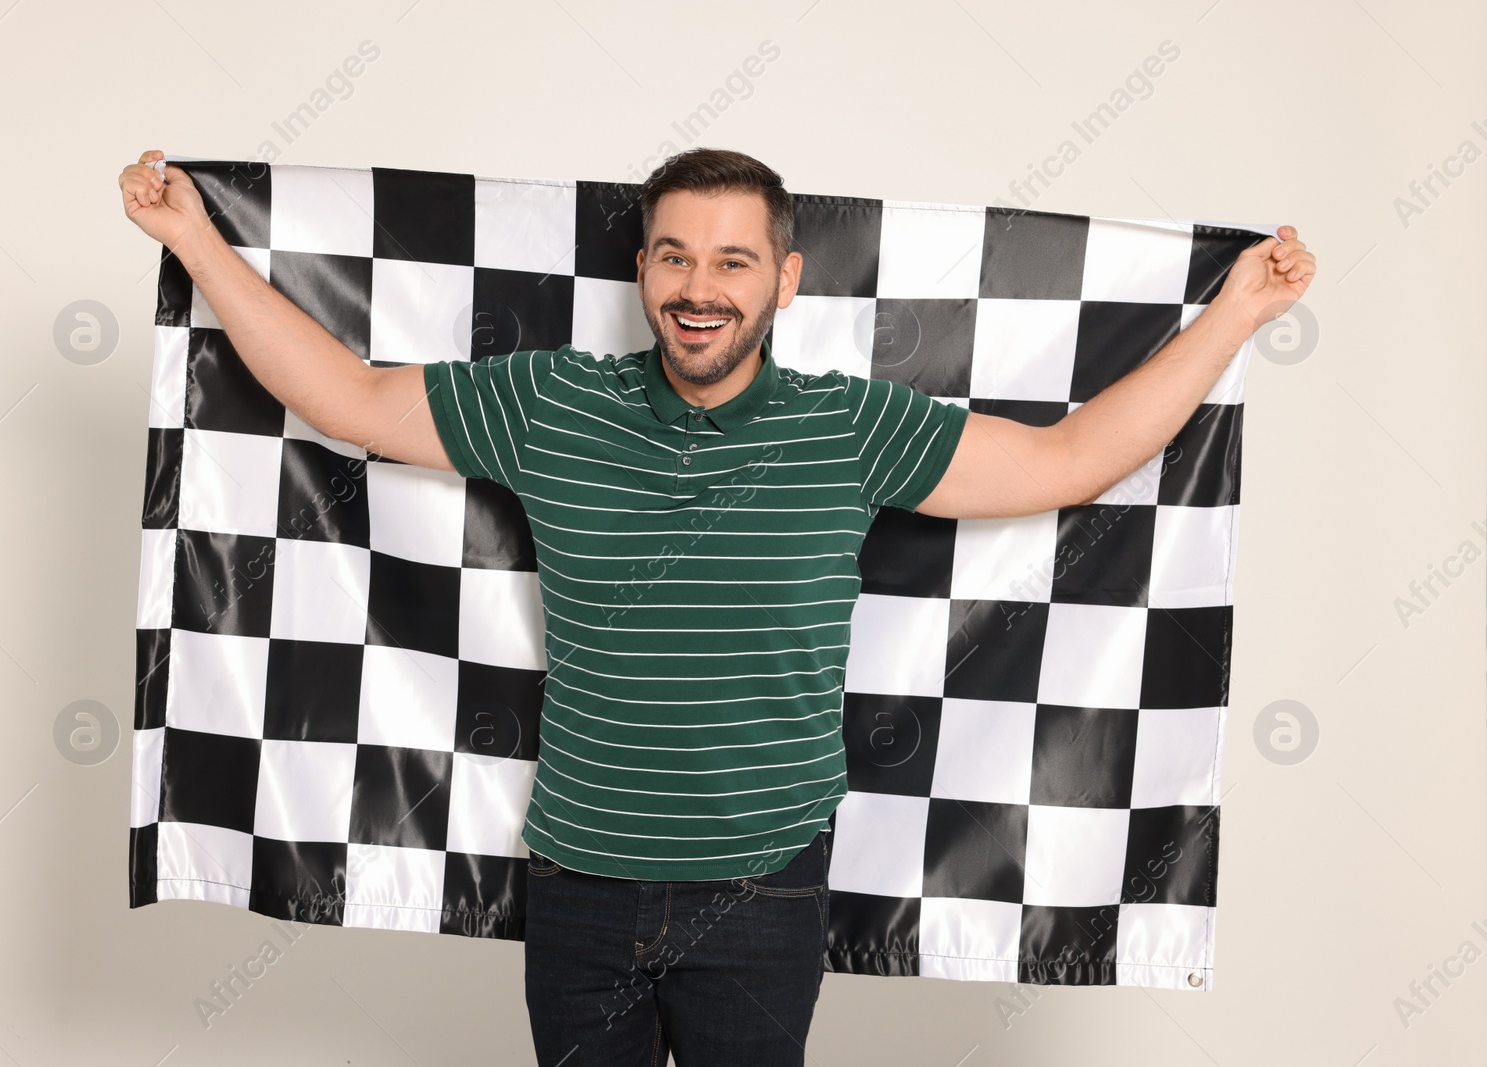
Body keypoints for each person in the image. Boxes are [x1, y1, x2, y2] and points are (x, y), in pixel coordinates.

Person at [119, 146, 1314, 1065]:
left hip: (762, 892)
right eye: (674, 255)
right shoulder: (552, 404)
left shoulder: (848, 428)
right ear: (641, 269)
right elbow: (352, 397)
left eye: (733, 260)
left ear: (784, 280)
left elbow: (1065, 465)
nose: (700, 288)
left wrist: (1236, 313)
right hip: (579, 885)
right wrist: (193, 237)